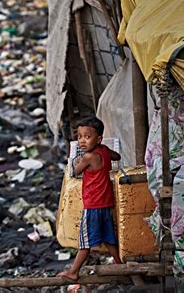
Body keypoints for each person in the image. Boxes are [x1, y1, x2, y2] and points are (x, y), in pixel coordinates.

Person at [58, 116, 122, 281]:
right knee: (108, 238)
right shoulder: (104, 150)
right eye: (79, 137)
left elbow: (75, 172)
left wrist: (79, 160)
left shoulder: (88, 157)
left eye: (87, 137)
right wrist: (104, 149)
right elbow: (117, 157)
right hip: (106, 203)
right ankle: (119, 265)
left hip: (92, 205)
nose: (82, 141)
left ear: (98, 138)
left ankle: (73, 271)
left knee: (84, 242)